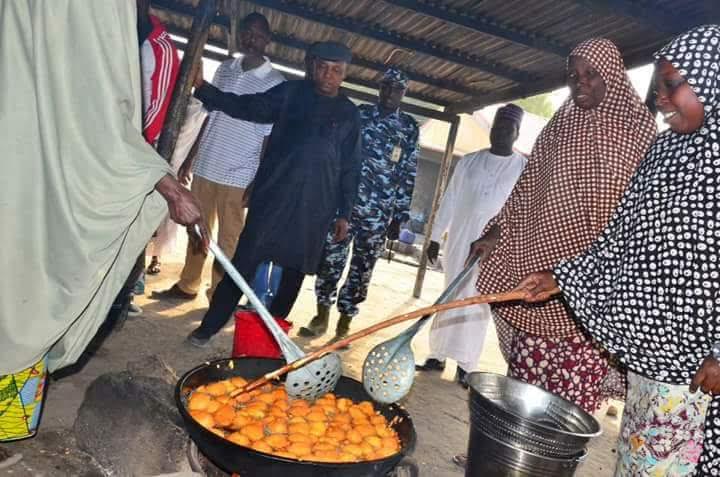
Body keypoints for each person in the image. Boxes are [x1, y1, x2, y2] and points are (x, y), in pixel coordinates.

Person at [515, 24, 720, 476]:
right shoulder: (664, 152)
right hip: (652, 356)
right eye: (658, 84)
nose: (660, 97)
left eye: (672, 84)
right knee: (638, 463)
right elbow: (620, 239)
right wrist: (561, 278)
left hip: (699, 370)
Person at [0, 0, 207, 440]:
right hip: (64, 177)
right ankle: (8, 417)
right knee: (31, 287)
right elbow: (103, 128)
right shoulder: (90, 14)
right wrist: (167, 186)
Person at [467, 38, 657, 413]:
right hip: (535, 283)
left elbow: (641, 222)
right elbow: (525, 194)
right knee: (522, 400)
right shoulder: (559, 127)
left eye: (591, 74)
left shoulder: (639, 133)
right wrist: (494, 233)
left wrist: (584, 276)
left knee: (569, 409)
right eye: (573, 75)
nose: (580, 82)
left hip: (590, 297)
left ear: (612, 76)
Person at [186, 41, 362, 347]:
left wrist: (344, 213)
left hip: (315, 208)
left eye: (336, 70)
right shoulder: (290, 94)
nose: (328, 75)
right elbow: (248, 107)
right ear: (312, 66)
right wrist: (204, 89)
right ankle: (208, 327)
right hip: (273, 198)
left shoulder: (349, 113)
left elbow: (351, 166)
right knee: (243, 264)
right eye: (322, 67)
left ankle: (271, 338)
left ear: (344, 74)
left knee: (293, 275)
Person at [153, 12, 285, 301]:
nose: (251, 39)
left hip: (240, 173)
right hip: (206, 165)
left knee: (229, 240)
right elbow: (209, 114)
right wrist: (191, 158)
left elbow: (268, 136)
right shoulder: (225, 69)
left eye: (258, 35)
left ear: (268, 40)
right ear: (239, 36)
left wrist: (258, 180)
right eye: (246, 33)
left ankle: (219, 295)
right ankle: (188, 285)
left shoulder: (275, 82)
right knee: (196, 230)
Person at [298, 66, 420, 341]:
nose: (390, 93)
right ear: (380, 87)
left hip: (379, 213)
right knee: (331, 260)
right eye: (386, 86)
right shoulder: (359, 114)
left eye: (397, 89)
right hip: (345, 207)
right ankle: (321, 316)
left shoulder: (409, 127)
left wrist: (399, 216)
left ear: (404, 92)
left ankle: (344, 324)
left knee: (363, 269)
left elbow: (409, 171)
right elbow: (337, 155)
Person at [417, 104, 527, 387]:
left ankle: (467, 365)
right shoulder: (469, 161)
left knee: (478, 303)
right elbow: (450, 199)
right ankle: (437, 354)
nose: (500, 133)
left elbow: (522, 214)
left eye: (508, 129)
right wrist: (435, 237)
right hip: (460, 240)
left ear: (517, 134)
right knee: (450, 294)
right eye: (497, 127)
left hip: (495, 249)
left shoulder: (523, 169)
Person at [124, 0, 181, 317]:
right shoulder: (114, 29)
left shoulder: (161, 47)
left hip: (136, 149)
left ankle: (126, 291)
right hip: (111, 144)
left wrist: (132, 146)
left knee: (132, 224)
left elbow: (156, 110)